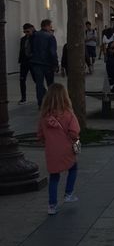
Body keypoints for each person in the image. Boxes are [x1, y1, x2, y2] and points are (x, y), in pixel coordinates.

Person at [37, 83, 80, 215]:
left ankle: (52, 205)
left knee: (54, 177)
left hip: (51, 151)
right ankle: (68, 193)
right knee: (73, 167)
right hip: (66, 149)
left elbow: (40, 135)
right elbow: (74, 132)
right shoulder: (68, 114)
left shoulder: (44, 116)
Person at [30, 18, 58, 106]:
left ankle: (40, 102)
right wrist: (55, 64)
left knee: (39, 84)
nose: (51, 28)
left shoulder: (34, 35)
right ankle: (51, 102)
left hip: (36, 63)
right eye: (50, 26)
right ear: (47, 26)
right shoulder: (50, 37)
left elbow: (30, 48)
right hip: (47, 64)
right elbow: (53, 52)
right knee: (50, 84)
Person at [17, 22, 35, 103]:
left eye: (28, 31)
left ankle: (44, 94)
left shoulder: (35, 37)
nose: (26, 33)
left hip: (33, 61)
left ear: (31, 29)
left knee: (36, 79)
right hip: (24, 62)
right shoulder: (23, 39)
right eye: (25, 32)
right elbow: (22, 50)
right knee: (22, 80)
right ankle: (23, 98)